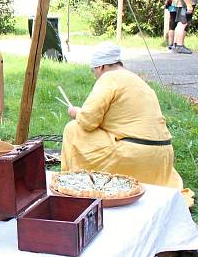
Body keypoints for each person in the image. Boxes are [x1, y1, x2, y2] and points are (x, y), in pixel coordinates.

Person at [61, 42, 182, 189]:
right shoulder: (138, 80)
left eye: (94, 72)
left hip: (135, 156)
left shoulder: (109, 78)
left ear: (101, 67)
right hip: (162, 159)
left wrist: (75, 112)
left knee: (73, 129)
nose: (95, 77)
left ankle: (75, 183)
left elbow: (88, 121)